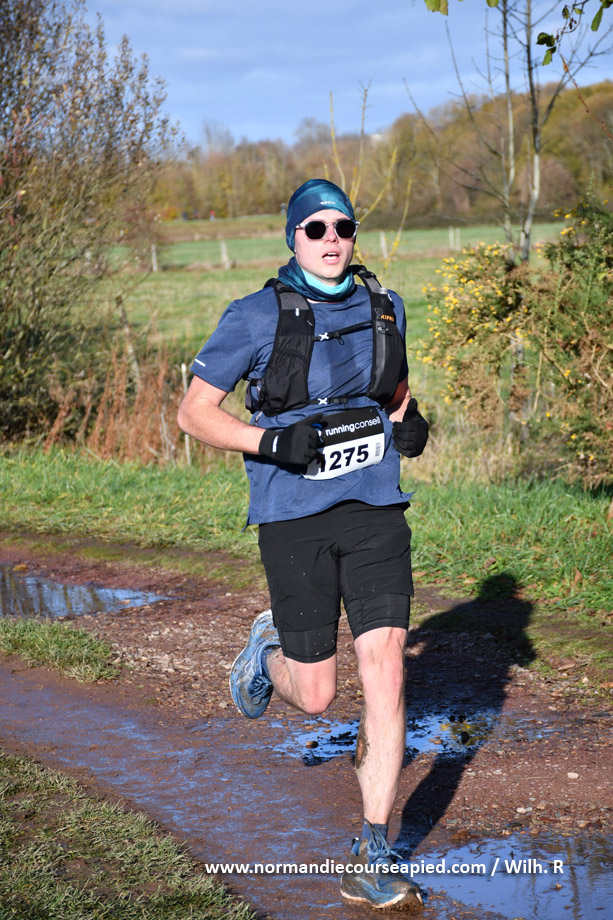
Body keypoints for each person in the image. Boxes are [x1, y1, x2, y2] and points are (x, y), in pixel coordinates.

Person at [177, 179, 429, 911]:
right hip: (293, 516)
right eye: (315, 228)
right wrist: (268, 442)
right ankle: (265, 656)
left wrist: (409, 423)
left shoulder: (384, 305)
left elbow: (392, 392)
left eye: (342, 227)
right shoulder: (255, 315)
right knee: (317, 697)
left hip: (375, 507)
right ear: (293, 236)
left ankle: (373, 851)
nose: (331, 240)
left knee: (385, 669)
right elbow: (194, 414)